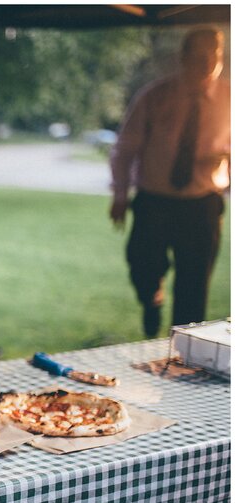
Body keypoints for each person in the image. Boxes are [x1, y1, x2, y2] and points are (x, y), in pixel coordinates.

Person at [109, 28, 230, 338]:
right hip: (155, 200)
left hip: (202, 202)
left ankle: (185, 356)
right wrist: (120, 195)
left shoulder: (228, 99)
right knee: (142, 265)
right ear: (184, 58)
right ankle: (152, 300)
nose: (207, 64)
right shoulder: (156, 95)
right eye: (199, 57)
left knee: (193, 287)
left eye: (213, 57)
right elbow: (125, 148)